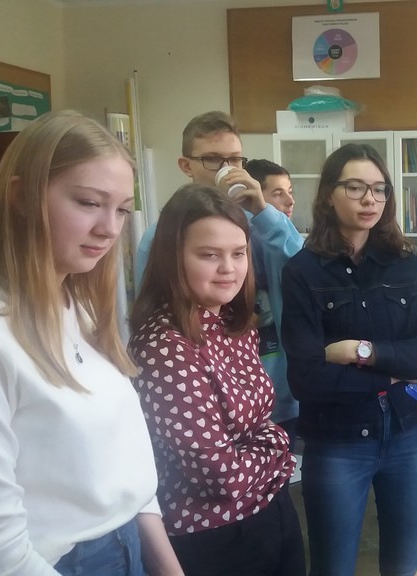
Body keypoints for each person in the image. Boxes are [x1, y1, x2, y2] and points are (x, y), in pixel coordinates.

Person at [0, 110, 182, 576]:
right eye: (88, 202)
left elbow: (125, 470)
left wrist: (166, 565)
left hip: (127, 547)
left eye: (122, 209)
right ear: (21, 196)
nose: (110, 228)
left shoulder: (77, 306)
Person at [280, 143, 417, 576]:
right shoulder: (302, 272)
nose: (370, 199)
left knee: (403, 567)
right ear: (329, 195)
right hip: (337, 442)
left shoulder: (405, 265)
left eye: (379, 189)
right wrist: (394, 375)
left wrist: (363, 352)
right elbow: (306, 378)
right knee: (332, 567)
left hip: (410, 433)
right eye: (355, 187)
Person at [129, 183, 303, 576]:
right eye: (209, 255)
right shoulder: (164, 347)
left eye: (238, 253)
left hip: (270, 511)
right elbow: (222, 478)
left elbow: (259, 422)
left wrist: (263, 442)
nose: (229, 268)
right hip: (214, 537)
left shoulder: (230, 321)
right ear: (172, 258)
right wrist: (279, 447)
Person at [133, 113, 304, 444]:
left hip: (277, 391)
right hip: (206, 404)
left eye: (235, 159)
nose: (227, 168)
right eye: (213, 159)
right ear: (186, 166)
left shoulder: (262, 224)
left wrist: (264, 211)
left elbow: (304, 272)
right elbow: (152, 317)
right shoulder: (161, 237)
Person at [243, 158, 301, 446]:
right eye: (278, 193)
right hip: (247, 395)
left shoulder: (285, 237)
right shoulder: (242, 236)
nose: (290, 201)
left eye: (290, 191)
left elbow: (302, 269)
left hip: (284, 390)